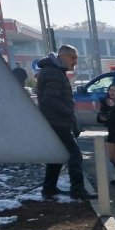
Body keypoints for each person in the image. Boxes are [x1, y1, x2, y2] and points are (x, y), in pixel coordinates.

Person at [36, 45, 96, 200]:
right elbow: (50, 99)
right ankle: (77, 190)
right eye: (73, 58)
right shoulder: (54, 73)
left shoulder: (53, 71)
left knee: (58, 154)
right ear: (63, 56)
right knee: (74, 155)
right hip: (57, 122)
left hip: (56, 121)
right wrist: (69, 112)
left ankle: (49, 188)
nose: (75, 62)